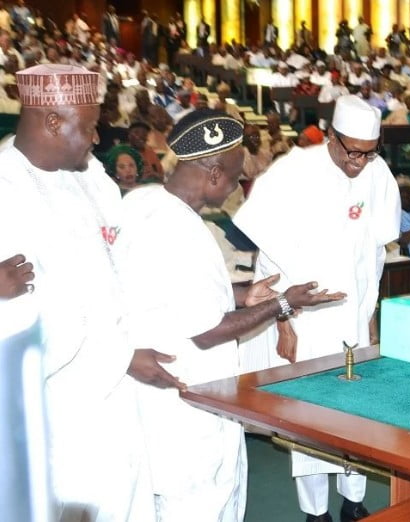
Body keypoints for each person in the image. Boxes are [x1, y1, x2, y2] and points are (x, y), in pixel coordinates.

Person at [117, 109, 344, 522]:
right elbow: (206, 332)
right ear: (215, 173)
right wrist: (283, 303)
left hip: (157, 403)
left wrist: (243, 294)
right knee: (199, 507)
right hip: (188, 407)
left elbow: (180, 297)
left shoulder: (143, 202)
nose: (239, 186)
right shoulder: (181, 231)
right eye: (238, 177)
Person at [0, 63, 181, 521]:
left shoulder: (89, 175)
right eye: (89, 126)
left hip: (114, 385)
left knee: (127, 500)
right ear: (52, 121)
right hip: (53, 403)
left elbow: (114, 269)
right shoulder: (5, 186)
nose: (97, 138)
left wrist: (127, 348)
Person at [234, 95, 400, 522]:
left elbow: (376, 255)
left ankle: (354, 502)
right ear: (330, 137)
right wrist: (284, 321)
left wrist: (372, 317)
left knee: (358, 414)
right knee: (308, 418)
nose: (360, 162)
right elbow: (269, 259)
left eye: (369, 151)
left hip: (354, 317)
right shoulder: (293, 171)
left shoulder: (377, 173)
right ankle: (315, 511)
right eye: (352, 151)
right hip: (305, 318)